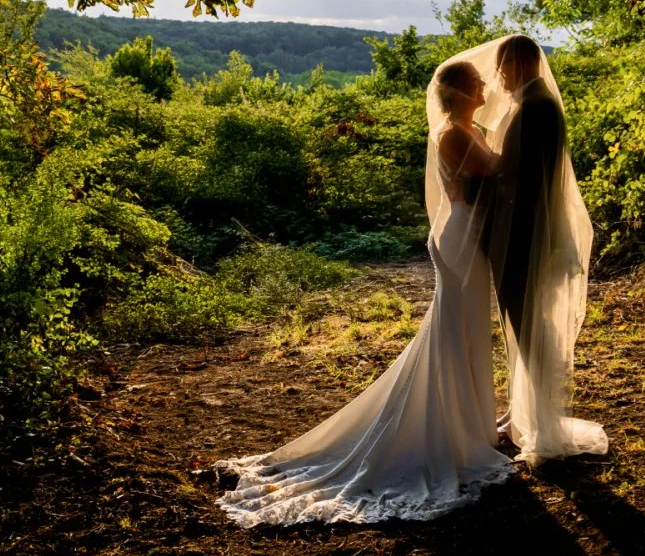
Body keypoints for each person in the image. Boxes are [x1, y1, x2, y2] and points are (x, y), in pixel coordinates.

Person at [211, 58, 517, 526]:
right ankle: (446, 430)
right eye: (476, 82)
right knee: (455, 331)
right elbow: (493, 169)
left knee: (467, 330)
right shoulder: (454, 134)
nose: (484, 85)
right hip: (460, 240)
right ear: (458, 91)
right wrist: (520, 136)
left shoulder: (468, 127)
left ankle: (466, 424)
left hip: (469, 237)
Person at [485, 34, 609, 466]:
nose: (497, 77)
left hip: (524, 235)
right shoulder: (532, 103)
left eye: (501, 67)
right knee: (522, 326)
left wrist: (484, 174)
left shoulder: (535, 108)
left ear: (516, 65)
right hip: (520, 232)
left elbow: (522, 179)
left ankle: (539, 422)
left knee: (527, 327)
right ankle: (524, 412)